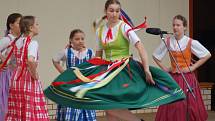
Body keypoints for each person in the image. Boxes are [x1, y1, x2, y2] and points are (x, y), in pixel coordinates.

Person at [44, 1, 185, 121]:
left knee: (111, 107)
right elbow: (98, 57)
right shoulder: (100, 31)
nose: (114, 14)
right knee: (108, 108)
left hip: (123, 69)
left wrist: (147, 69)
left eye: (117, 11)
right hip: (107, 70)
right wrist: (84, 72)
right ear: (105, 11)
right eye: (111, 10)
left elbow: (140, 47)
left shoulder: (124, 27)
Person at [153, 14, 211, 121]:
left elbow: (206, 55)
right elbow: (155, 56)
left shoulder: (190, 42)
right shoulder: (168, 41)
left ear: (184, 27)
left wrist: (192, 68)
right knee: (172, 105)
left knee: (187, 106)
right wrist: (165, 68)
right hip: (173, 79)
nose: (175, 27)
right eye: (174, 25)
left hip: (187, 78)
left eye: (178, 25)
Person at [5, 16, 50, 121]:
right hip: (28, 79)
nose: (38, 26)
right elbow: (30, 60)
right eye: (37, 24)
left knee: (17, 109)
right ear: (30, 28)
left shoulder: (16, 42)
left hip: (16, 79)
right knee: (32, 108)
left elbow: (10, 62)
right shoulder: (33, 43)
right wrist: (34, 74)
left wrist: (18, 69)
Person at [52, 29, 96, 121]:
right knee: (72, 108)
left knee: (85, 107)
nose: (80, 41)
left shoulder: (90, 52)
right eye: (77, 39)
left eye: (82, 39)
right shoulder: (66, 52)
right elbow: (55, 60)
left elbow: (94, 66)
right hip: (71, 86)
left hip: (84, 86)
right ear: (71, 40)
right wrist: (64, 73)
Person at [0, 13, 22, 121]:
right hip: (6, 76)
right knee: (5, 103)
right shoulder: (7, 40)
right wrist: (2, 60)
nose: (21, 25)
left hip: (17, 75)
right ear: (11, 25)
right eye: (19, 22)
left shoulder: (21, 40)